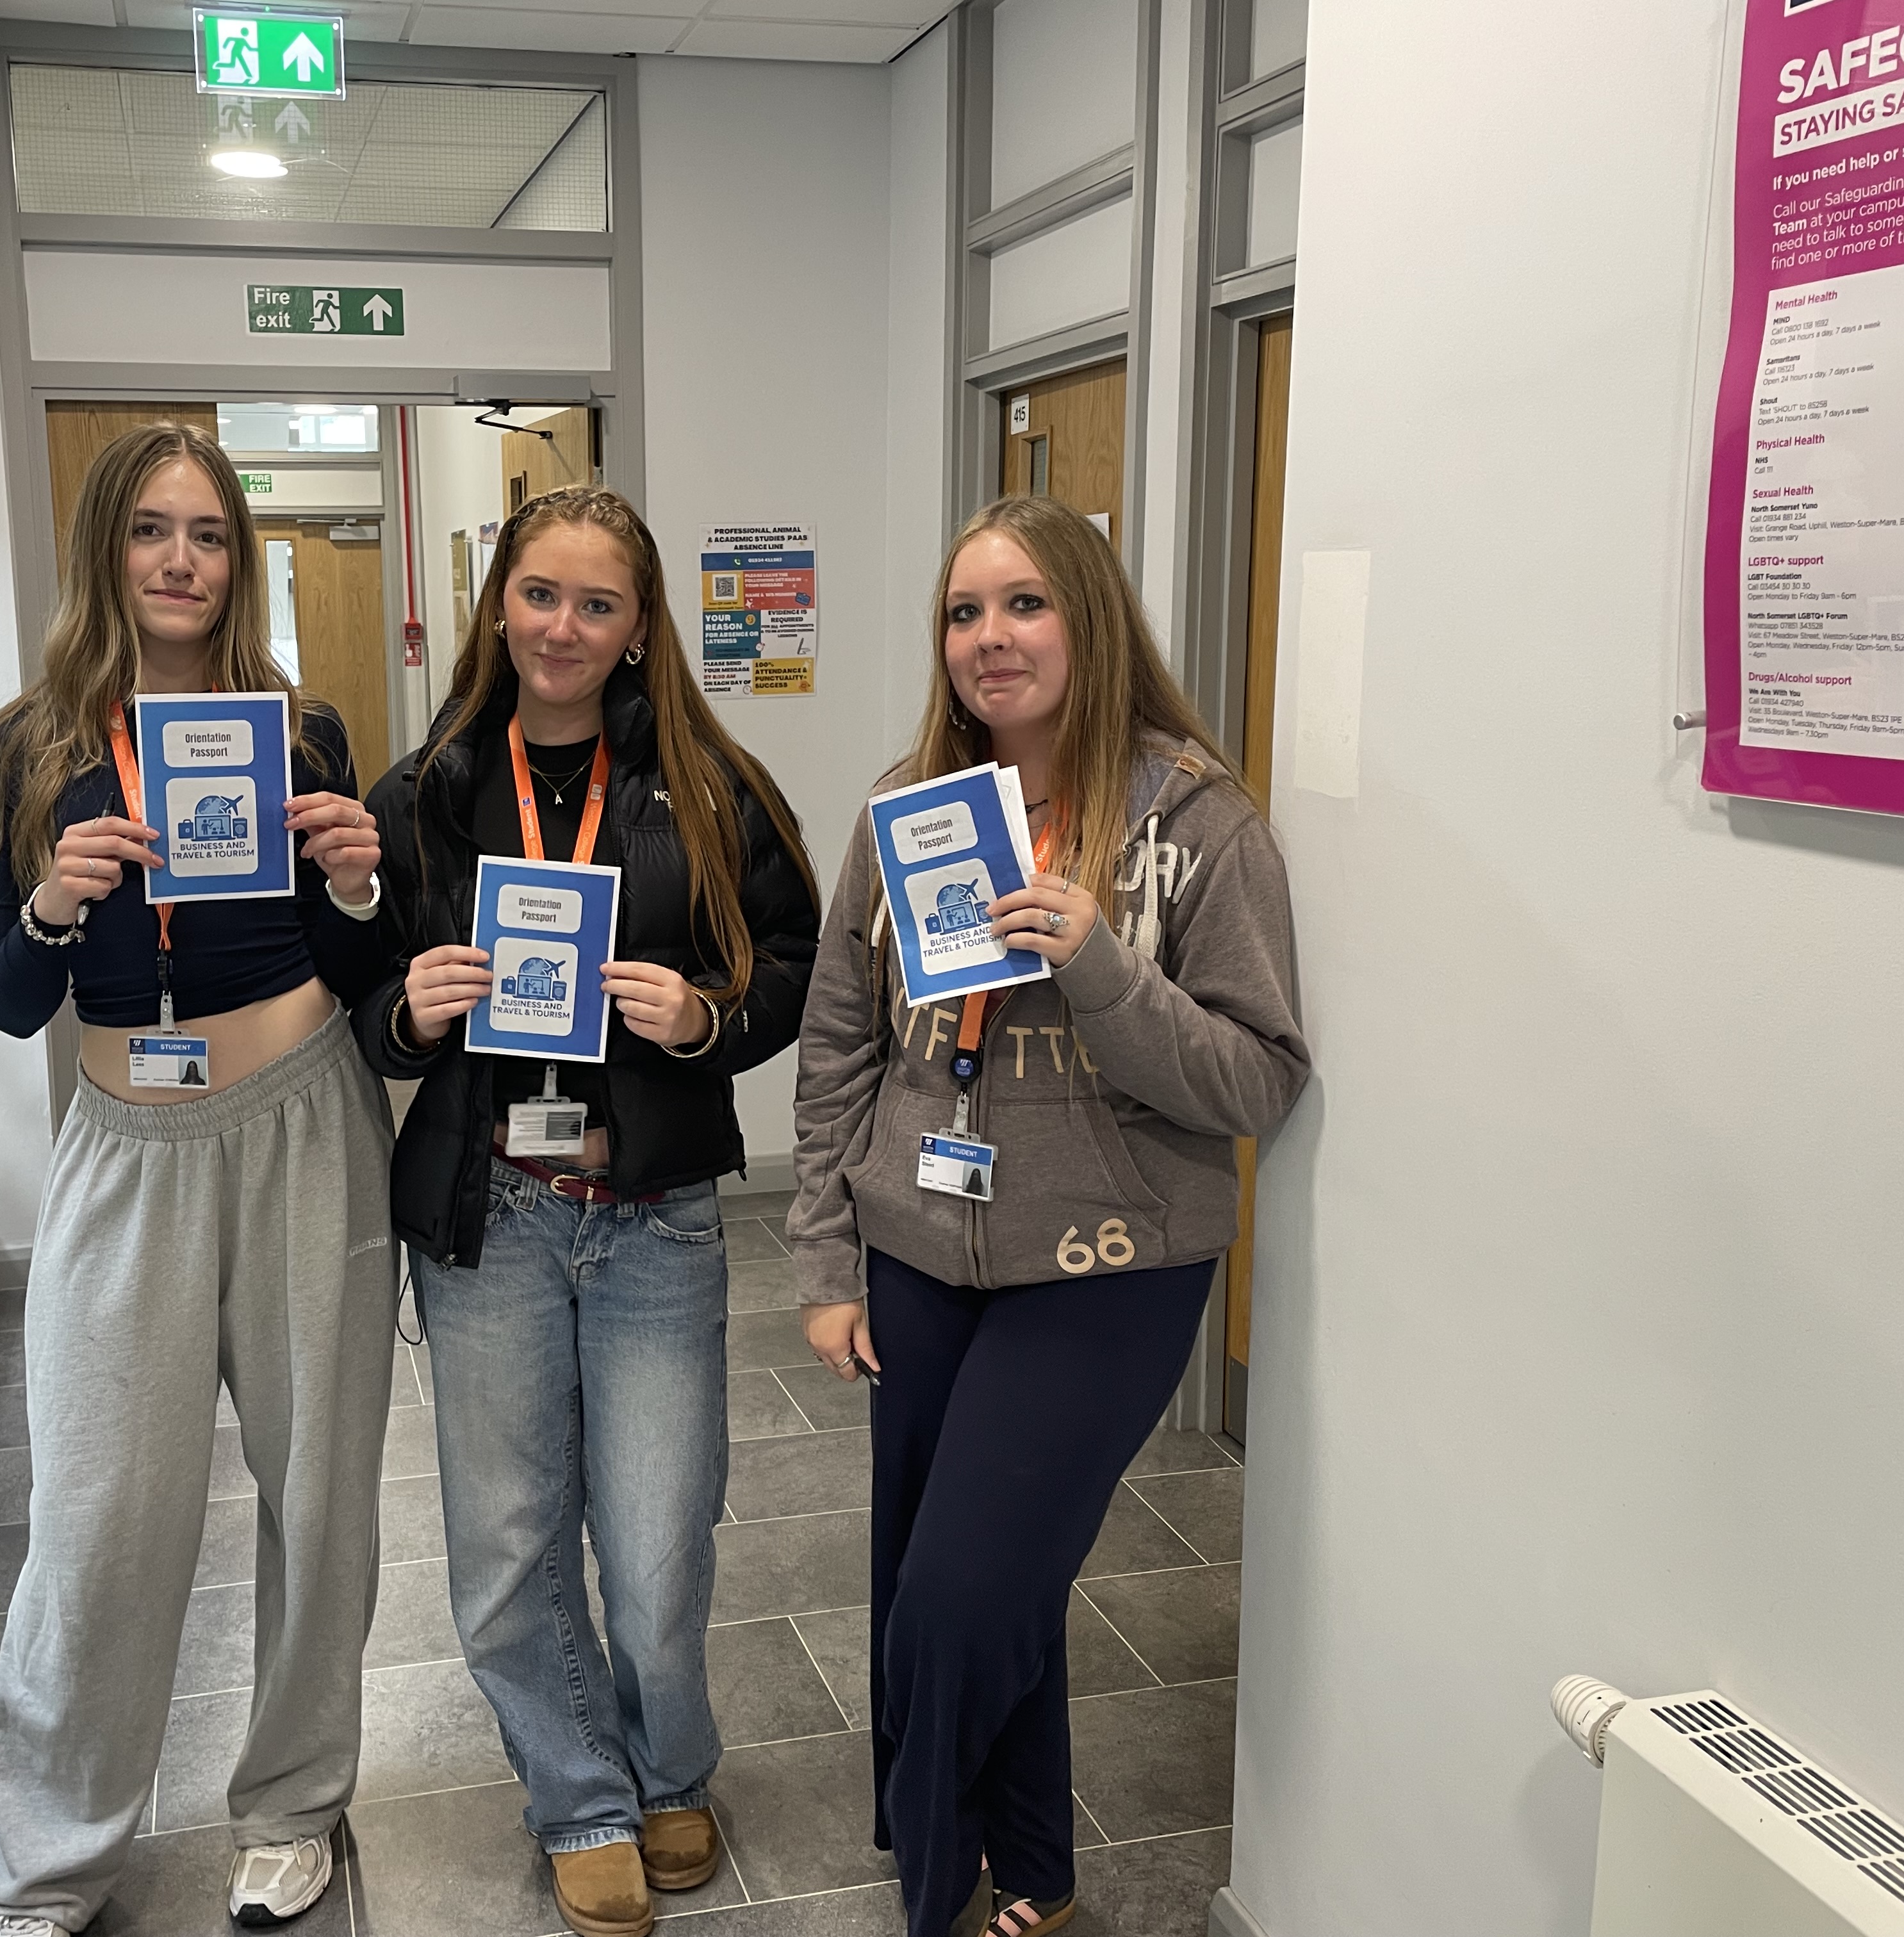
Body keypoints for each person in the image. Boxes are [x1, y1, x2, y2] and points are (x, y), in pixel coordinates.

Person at [787, 496, 1309, 1937]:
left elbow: (1255, 1079)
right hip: (918, 1249)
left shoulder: (1197, 825)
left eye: (1024, 606)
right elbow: (842, 1044)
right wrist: (831, 1257)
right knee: (952, 1577)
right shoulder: (910, 810)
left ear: (1088, 619)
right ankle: (1042, 1872)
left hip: (1107, 1265)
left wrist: (1100, 965)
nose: (990, 639)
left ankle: (935, 1881)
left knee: (959, 1598)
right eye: (964, 613)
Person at [353, 486, 820, 1937]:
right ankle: (583, 1796)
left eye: (598, 603)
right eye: (541, 594)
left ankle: (672, 1764)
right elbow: (360, 1005)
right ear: (501, 605)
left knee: (662, 1532)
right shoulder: (423, 787)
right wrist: (412, 1017)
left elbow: (799, 964)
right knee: (506, 1539)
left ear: (638, 628)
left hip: (652, 1211)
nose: (565, 626)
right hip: (490, 1211)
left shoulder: (710, 780)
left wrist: (705, 1020)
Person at [0, 422, 398, 1936]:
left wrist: (354, 882)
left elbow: (358, 974)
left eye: (209, 535)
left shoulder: (303, 729)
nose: (182, 562)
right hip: (121, 1147)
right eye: (153, 531)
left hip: (298, 1122)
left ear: (240, 561)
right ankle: (52, 1855)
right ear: (108, 547)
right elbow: (10, 999)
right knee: (96, 1512)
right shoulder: (33, 747)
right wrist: (54, 902)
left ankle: (292, 1808)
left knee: (318, 1492)